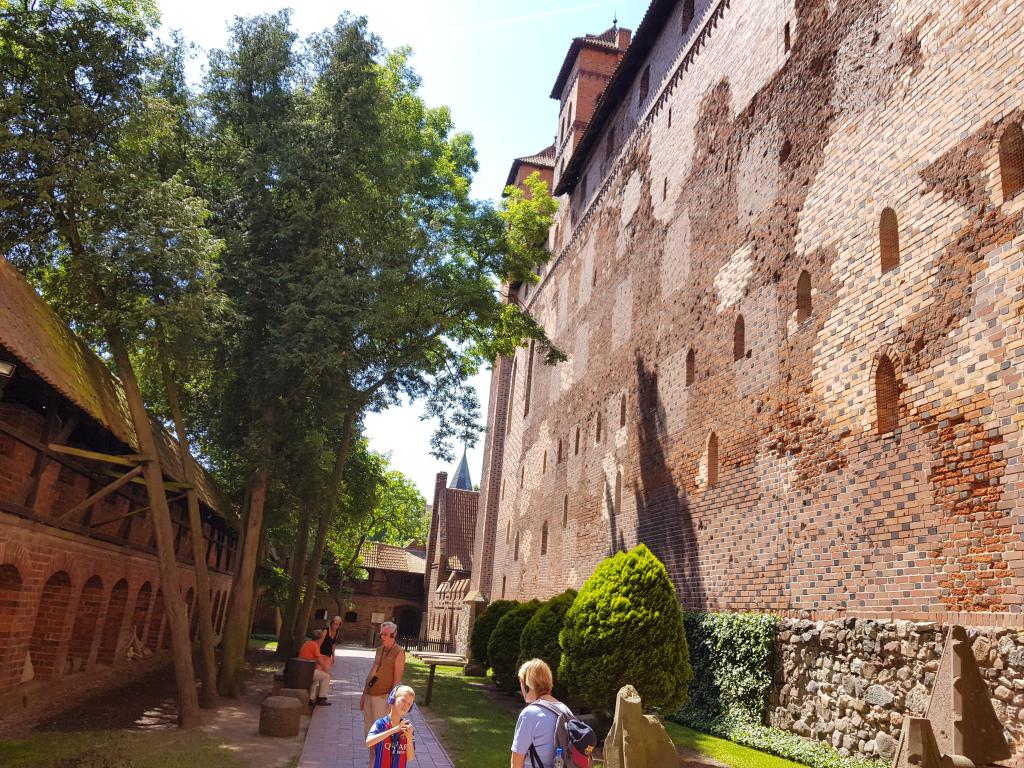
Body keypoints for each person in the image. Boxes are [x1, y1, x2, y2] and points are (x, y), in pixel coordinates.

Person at [510, 658, 573, 768]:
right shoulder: (565, 709)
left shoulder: (529, 714)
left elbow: (516, 763)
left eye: (521, 682)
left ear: (527, 685)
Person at [361, 621, 406, 765]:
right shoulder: (379, 650)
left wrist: (391, 703)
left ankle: (378, 763)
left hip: (383, 698)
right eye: (382, 635)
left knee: (381, 736)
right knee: (370, 735)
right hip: (370, 696)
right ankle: (372, 762)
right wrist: (364, 693)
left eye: (387, 635)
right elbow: (372, 672)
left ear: (394, 635)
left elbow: (397, 681)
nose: (384, 638)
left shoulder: (399, 652)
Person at [365, 685, 416, 768]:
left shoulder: (408, 729)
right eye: (403, 700)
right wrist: (394, 730)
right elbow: (368, 742)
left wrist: (409, 737)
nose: (406, 705)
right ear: (392, 699)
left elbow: (410, 758)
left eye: (409, 704)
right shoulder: (380, 724)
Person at [298, 628, 332, 706]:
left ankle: (311, 698)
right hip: (307, 671)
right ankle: (321, 698)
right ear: (320, 638)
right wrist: (327, 671)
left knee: (316, 678)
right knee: (326, 677)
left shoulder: (307, 643)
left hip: (301, 669)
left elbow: (315, 657)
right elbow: (320, 661)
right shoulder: (314, 645)